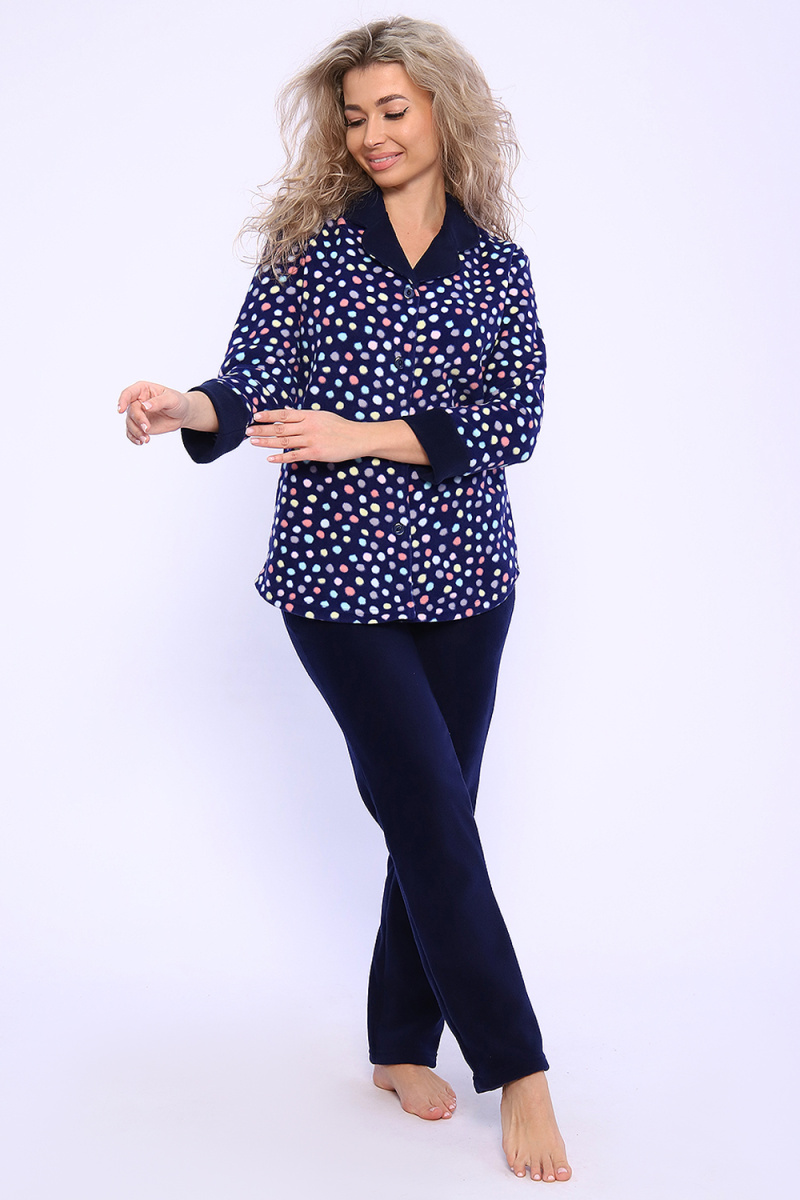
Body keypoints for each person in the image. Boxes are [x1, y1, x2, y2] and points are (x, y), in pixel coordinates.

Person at [117, 16, 572, 1183]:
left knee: (432, 817)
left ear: (442, 113)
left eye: (393, 111)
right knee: (427, 810)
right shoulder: (311, 250)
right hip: (335, 580)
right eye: (356, 116)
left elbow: (512, 421)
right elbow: (250, 380)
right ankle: (518, 1066)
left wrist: (362, 432)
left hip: (467, 579)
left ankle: (396, 1044)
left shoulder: (497, 265)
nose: (372, 134)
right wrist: (187, 409)